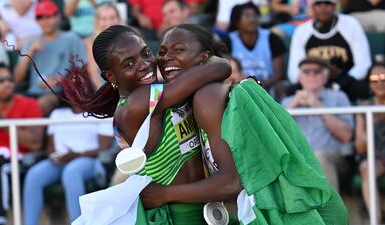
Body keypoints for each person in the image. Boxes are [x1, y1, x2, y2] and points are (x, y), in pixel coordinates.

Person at [141, 24, 348, 225]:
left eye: (179, 50)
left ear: (204, 58)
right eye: (162, 51)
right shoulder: (203, 95)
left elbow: (230, 182)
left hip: (300, 211)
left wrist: (163, 194)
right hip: (295, 205)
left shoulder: (207, 97)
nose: (166, 57)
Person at [53, 24, 232, 224]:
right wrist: (206, 59)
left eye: (146, 53)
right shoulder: (136, 105)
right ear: (111, 76)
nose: (145, 64)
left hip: (201, 208)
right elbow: (221, 67)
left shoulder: (164, 93)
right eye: (129, 64)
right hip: (175, 215)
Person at [23, 102, 114, 225]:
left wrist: (76, 155)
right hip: (60, 161)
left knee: (71, 172)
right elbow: (50, 146)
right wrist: (54, 156)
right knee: (34, 175)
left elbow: (104, 147)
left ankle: (77, 222)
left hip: (88, 160)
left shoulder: (101, 112)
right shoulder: (57, 113)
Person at [281, 57, 354, 191]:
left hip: (333, 157)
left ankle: (330, 209)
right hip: (296, 158)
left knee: (318, 157)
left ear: (326, 77)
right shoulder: (288, 101)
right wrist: (293, 105)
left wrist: (318, 106)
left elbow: (346, 135)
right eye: (306, 71)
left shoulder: (338, 97)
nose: (312, 75)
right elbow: (274, 131)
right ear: (300, 77)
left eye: (317, 71)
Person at [0, 63, 43, 225]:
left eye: (9, 79)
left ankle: (0, 219)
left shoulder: (29, 104)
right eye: (0, 80)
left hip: (19, 162)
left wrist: (2, 121)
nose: (7, 83)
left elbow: (36, 144)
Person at [287, 0, 372, 102]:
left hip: (345, 81)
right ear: (312, 7)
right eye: (318, 4)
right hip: (313, 79)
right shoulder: (301, 31)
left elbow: (363, 64)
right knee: (291, 92)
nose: (323, 7)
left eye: (327, 3)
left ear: (334, 6)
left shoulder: (351, 24)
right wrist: (313, 82)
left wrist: (339, 84)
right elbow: (294, 72)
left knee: (361, 88)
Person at [13, 0, 87, 116]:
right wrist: (30, 52)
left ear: (58, 16)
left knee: (43, 103)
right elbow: (17, 79)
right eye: (40, 17)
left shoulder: (72, 39)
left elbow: (83, 72)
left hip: (62, 92)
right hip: (33, 92)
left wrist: (62, 80)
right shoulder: (30, 42)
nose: (45, 21)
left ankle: (34, 134)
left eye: (49, 16)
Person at [224, 2, 286, 94]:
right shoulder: (228, 41)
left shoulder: (271, 38)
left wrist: (259, 86)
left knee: (281, 86)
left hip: (267, 87)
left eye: (255, 15)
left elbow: (279, 73)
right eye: (247, 16)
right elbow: (224, 72)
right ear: (236, 21)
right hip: (237, 89)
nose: (252, 19)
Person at [355, 63, 385, 223]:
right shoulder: (364, 107)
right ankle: (377, 221)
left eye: (383, 78)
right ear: (369, 83)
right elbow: (360, 149)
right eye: (374, 79)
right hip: (377, 157)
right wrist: (370, 123)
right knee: (367, 167)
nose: (379, 83)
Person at [84, 2, 123, 89]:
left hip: (130, 87)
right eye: (104, 19)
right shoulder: (90, 42)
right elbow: (93, 72)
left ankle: (154, 101)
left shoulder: (131, 37)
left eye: (112, 18)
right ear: (97, 21)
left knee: (156, 88)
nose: (108, 22)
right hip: (106, 90)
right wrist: (102, 93)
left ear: (118, 18)